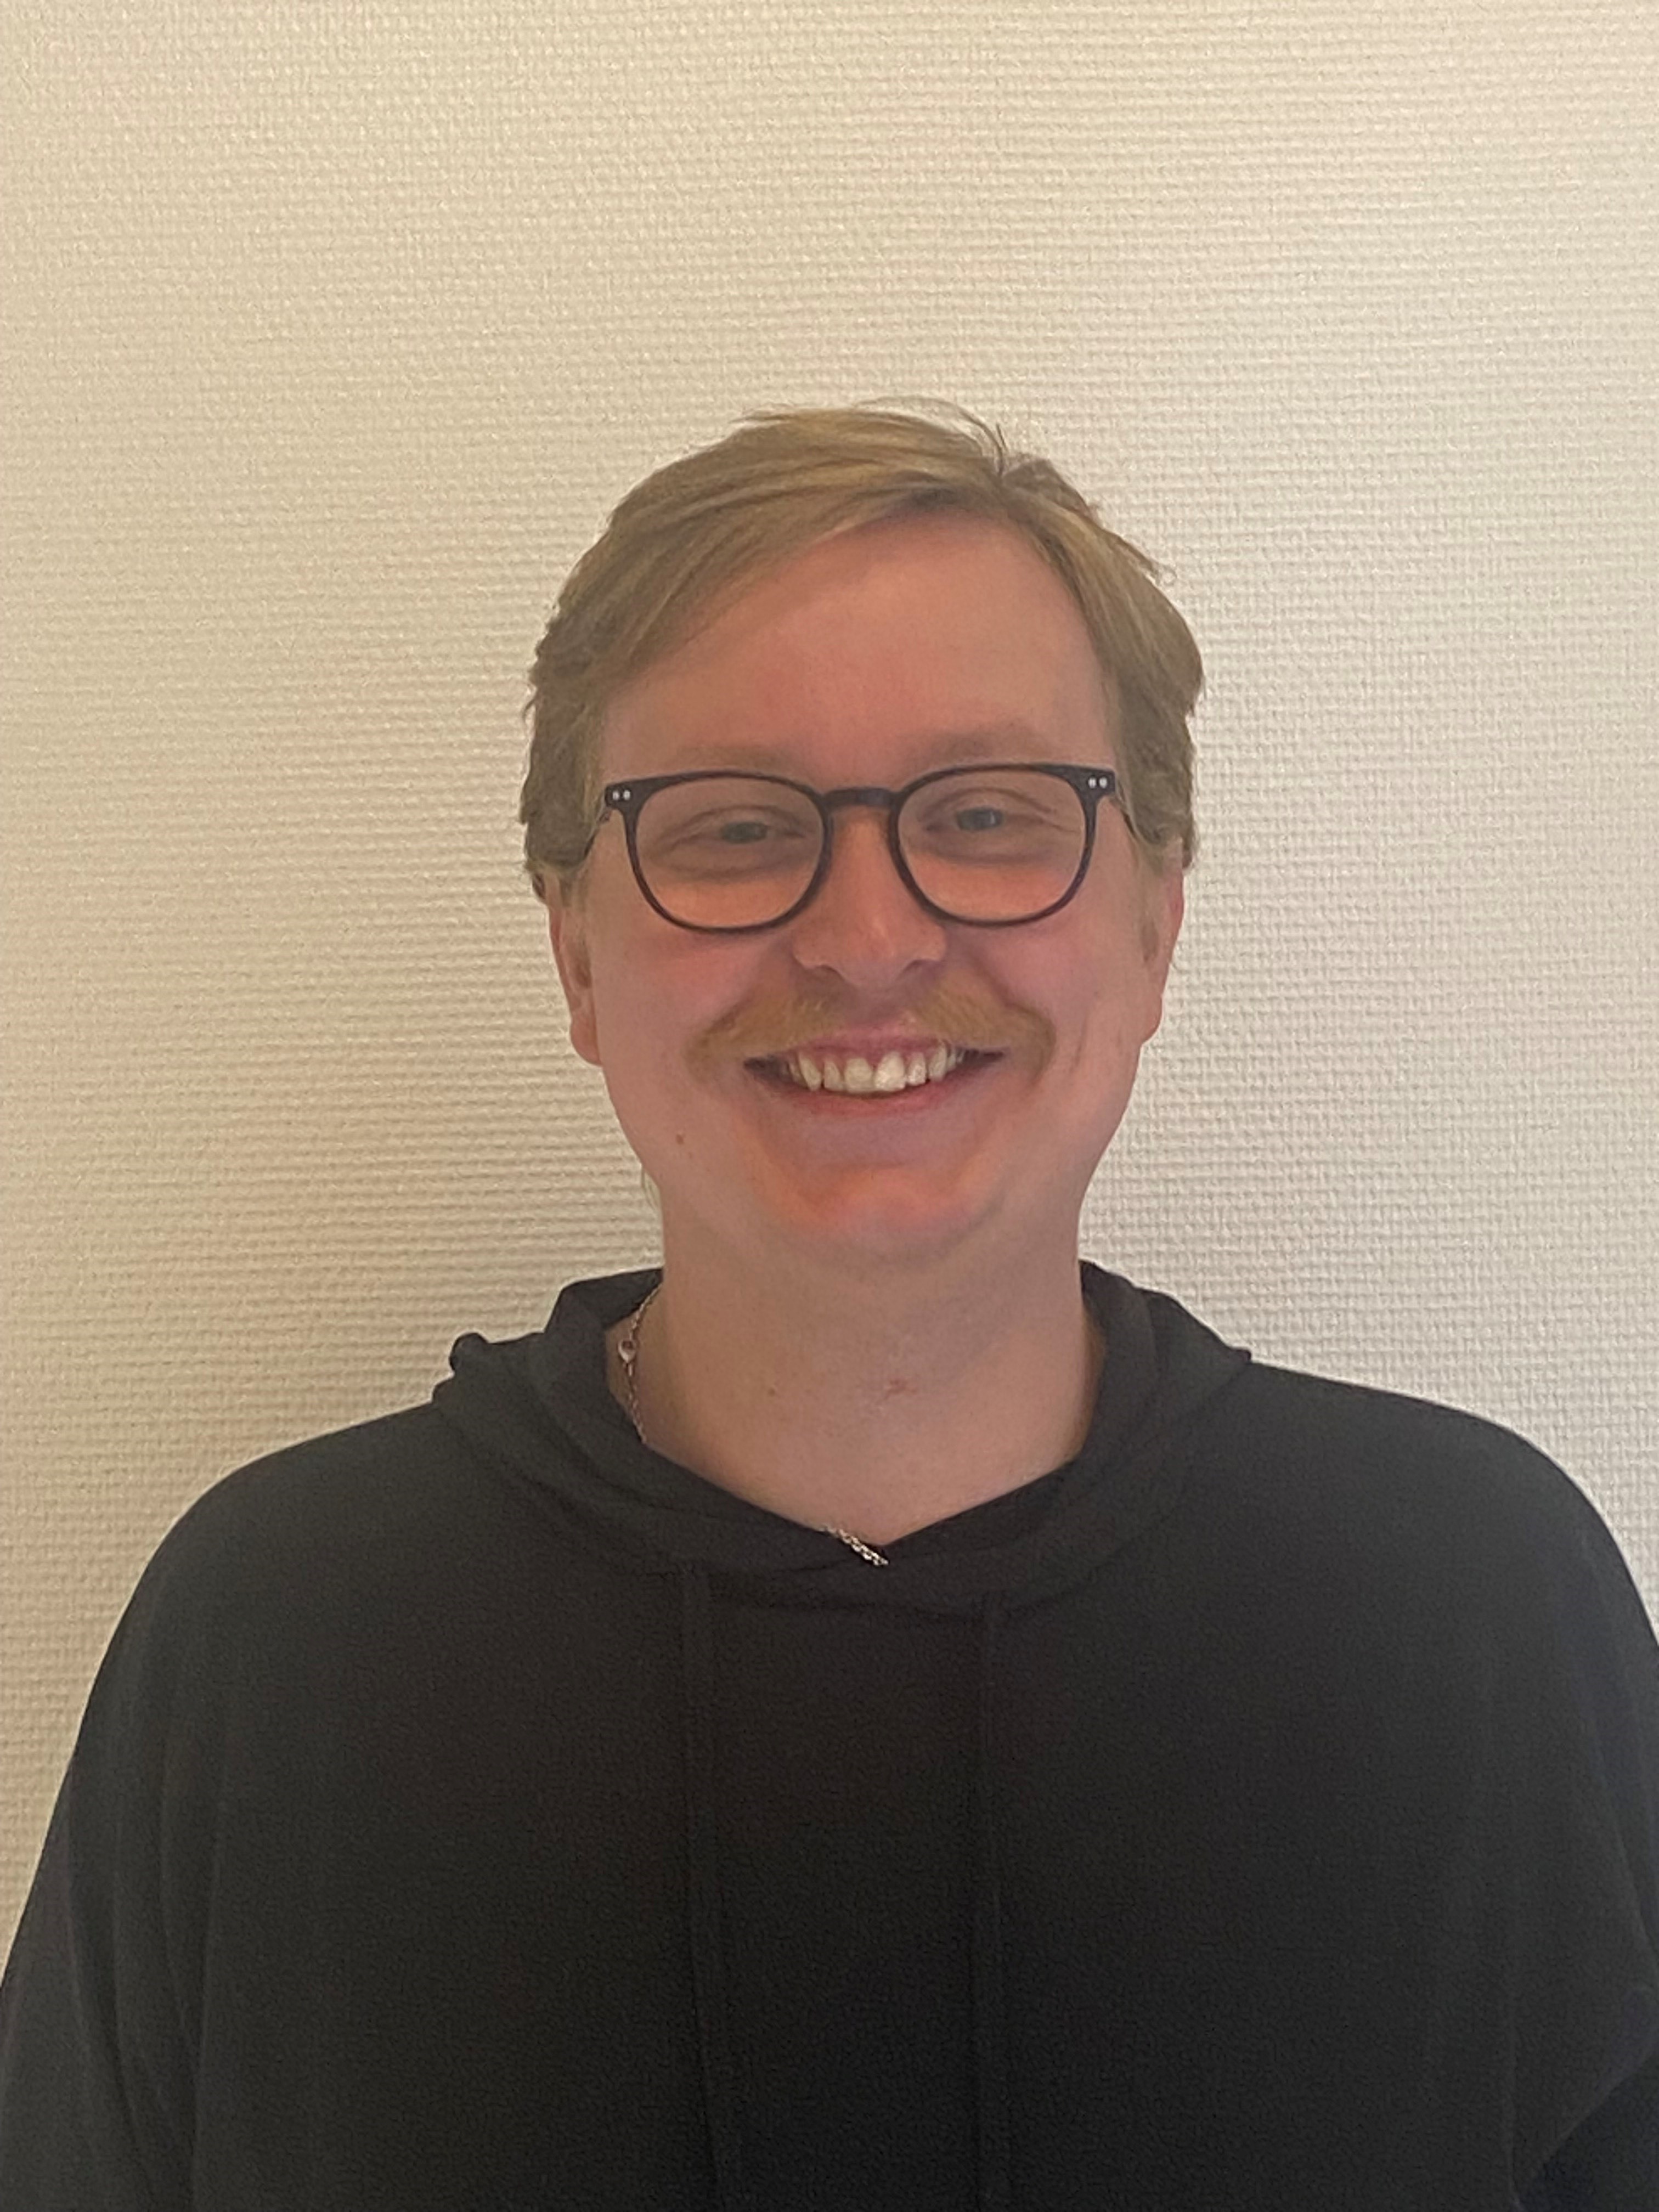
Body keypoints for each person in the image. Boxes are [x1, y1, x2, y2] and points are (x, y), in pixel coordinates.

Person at [1, 405, 1655, 2209]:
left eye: (989, 815)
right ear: (575, 951)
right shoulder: (273, 1644)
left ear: (1155, 923)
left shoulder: (1478, 1611)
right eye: (731, 829)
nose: (868, 939)